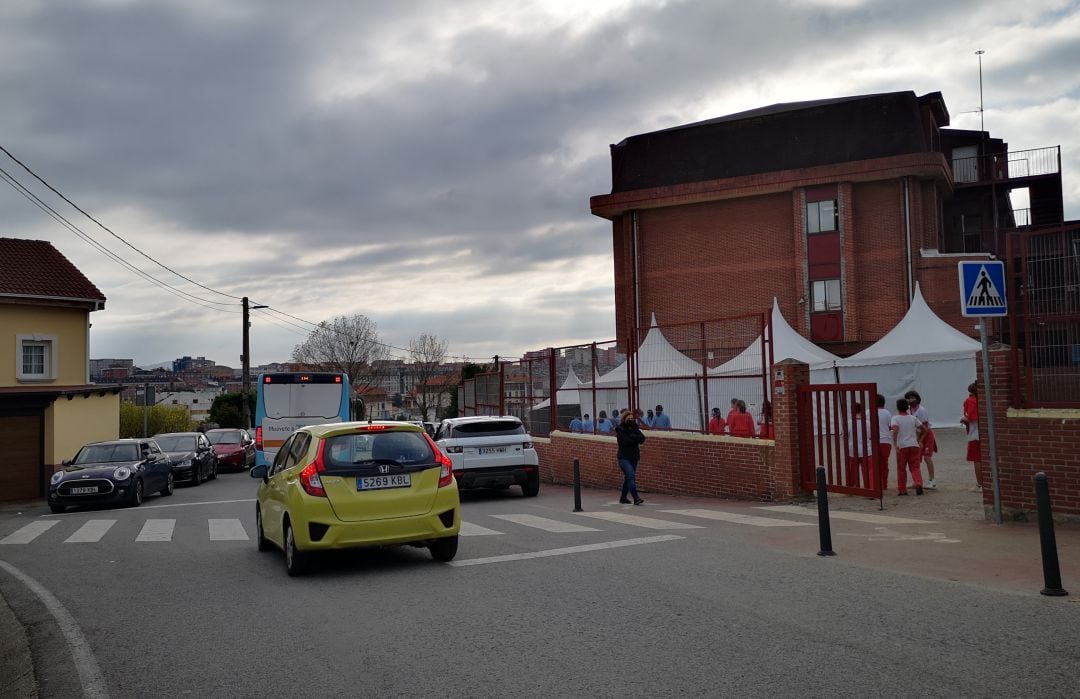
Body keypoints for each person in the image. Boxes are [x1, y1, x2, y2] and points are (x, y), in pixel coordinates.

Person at [891, 398, 926, 496]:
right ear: (907, 407)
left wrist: (895, 444)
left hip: (902, 446)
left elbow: (895, 429)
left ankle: (902, 489)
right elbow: (924, 429)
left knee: (901, 469)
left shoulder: (895, 418)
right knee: (915, 467)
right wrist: (920, 440)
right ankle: (918, 483)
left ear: (897, 407)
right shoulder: (912, 418)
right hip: (914, 445)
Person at [905, 390, 937, 489]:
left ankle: (932, 481)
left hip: (926, 436)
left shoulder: (922, 410)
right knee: (916, 460)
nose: (911, 400)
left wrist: (921, 441)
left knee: (927, 458)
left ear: (917, 399)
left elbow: (925, 428)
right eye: (909, 398)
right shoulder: (909, 411)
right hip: (917, 437)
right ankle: (917, 481)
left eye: (913, 397)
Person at [615, 410, 646, 505]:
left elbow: (642, 438)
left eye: (632, 419)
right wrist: (635, 438)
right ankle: (636, 498)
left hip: (634, 457)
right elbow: (625, 442)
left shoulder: (635, 428)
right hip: (624, 458)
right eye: (629, 419)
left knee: (628, 478)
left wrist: (633, 437)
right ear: (624, 419)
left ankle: (623, 498)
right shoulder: (620, 429)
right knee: (631, 476)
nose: (631, 420)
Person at [845, 402, 873, 488]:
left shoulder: (848, 423)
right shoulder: (867, 423)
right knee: (867, 471)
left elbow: (845, 436)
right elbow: (871, 436)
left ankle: (852, 486)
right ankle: (869, 487)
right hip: (866, 449)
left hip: (853, 449)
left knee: (852, 471)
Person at [961, 383, 982, 487]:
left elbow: (970, 418)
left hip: (975, 434)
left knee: (977, 459)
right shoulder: (981, 401)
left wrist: (963, 419)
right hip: (982, 433)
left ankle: (980, 484)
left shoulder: (970, 401)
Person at [875, 394, 893, 492]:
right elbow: (890, 427)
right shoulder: (887, 413)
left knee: (874, 463)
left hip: (873, 441)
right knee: (884, 463)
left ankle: (875, 483)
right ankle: (884, 484)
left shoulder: (868, 412)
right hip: (886, 441)